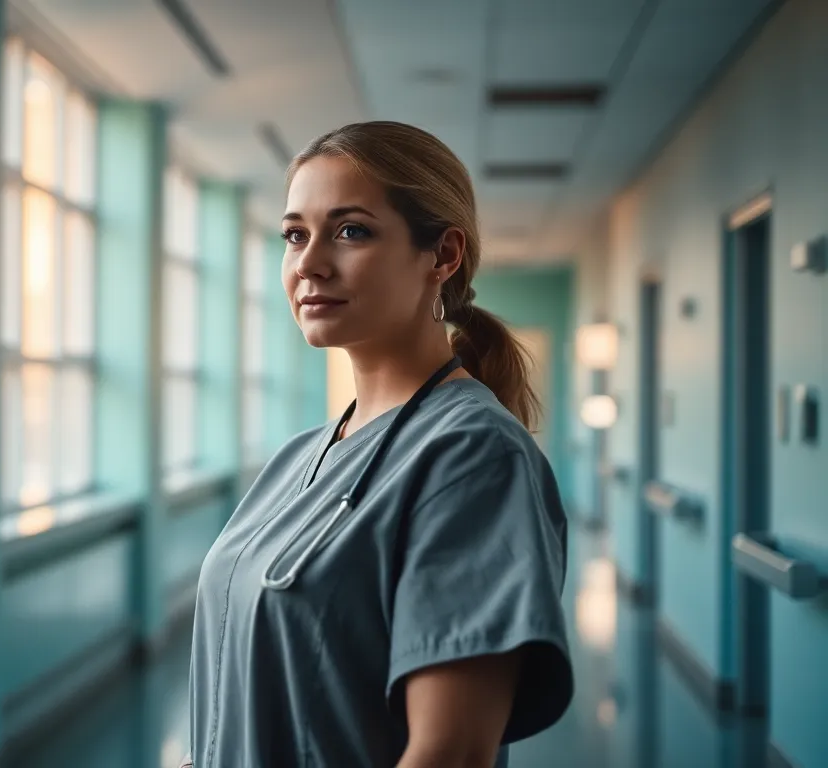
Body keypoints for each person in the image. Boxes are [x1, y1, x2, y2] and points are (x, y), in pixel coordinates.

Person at [181, 122, 573, 767]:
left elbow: (449, 752)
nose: (308, 263)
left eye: (350, 230)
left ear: (442, 256)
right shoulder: (301, 457)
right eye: (294, 235)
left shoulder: (472, 456)